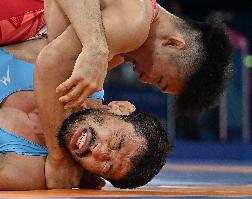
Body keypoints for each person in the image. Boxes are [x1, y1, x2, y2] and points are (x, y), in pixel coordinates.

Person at [35, 0, 233, 188]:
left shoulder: (124, 42)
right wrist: (59, 158)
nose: (144, 80)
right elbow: (51, 62)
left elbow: (58, 91)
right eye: (159, 80)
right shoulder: (134, 25)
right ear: (173, 43)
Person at [0, 42, 172, 191]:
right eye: (115, 142)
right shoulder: (80, 60)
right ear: (120, 108)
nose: (100, 151)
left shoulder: (26, 171)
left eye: (106, 166)